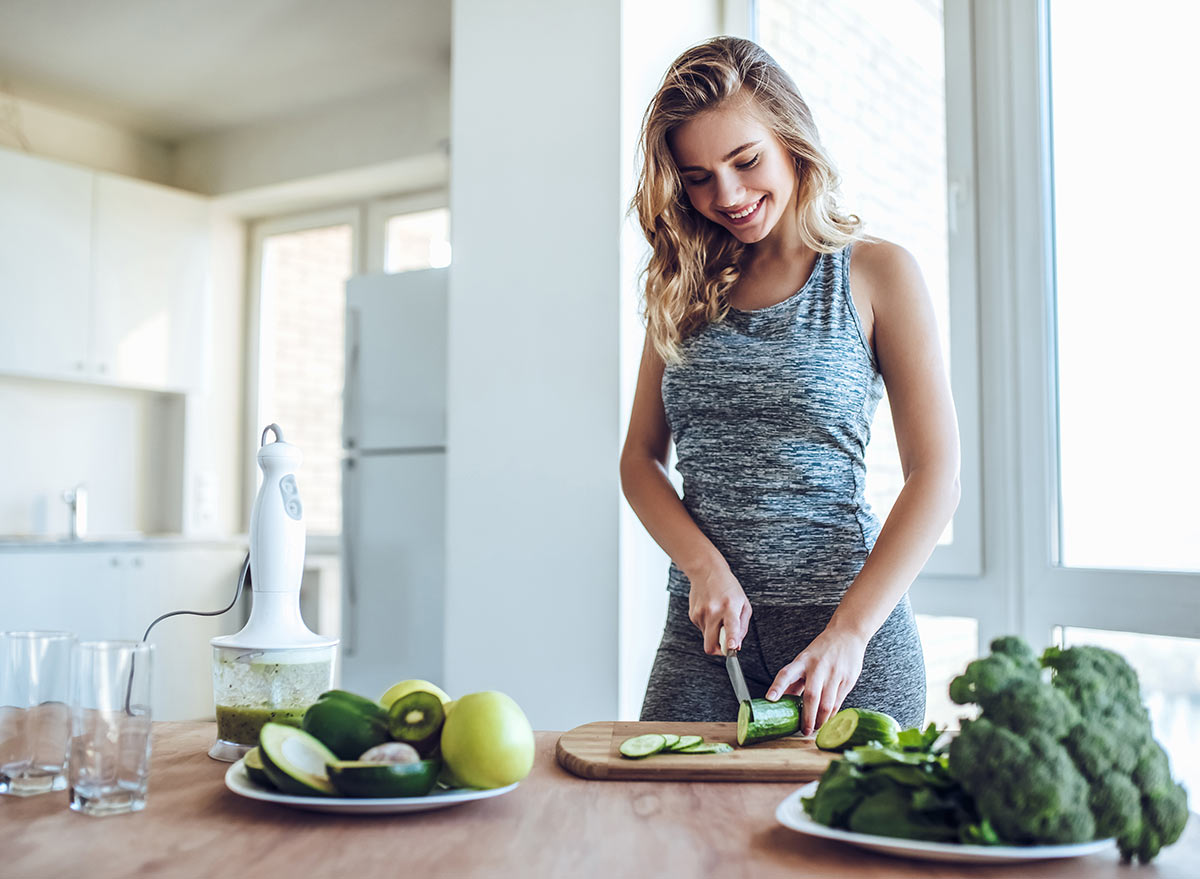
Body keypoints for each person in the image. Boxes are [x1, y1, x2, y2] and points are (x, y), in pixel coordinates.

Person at [620, 36, 961, 735]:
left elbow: (937, 472)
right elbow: (639, 460)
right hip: (705, 643)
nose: (729, 195)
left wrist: (852, 632)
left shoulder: (876, 274)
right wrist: (702, 566)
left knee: (841, 845)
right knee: (670, 837)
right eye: (698, 177)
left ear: (790, 140)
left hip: (846, 641)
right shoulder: (678, 287)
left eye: (746, 162)